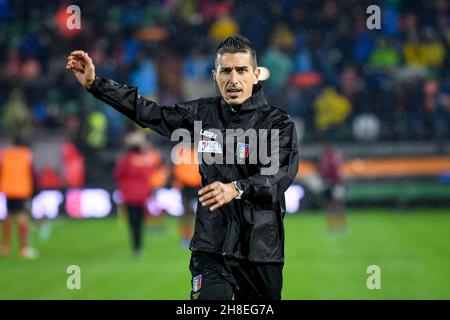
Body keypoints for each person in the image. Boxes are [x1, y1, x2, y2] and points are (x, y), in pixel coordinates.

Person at [67, 34, 299, 300]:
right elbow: (149, 113)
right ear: (215, 75)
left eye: (241, 70)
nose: (233, 80)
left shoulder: (278, 124)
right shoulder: (203, 114)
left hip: (260, 250)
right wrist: (96, 84)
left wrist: (236, 188)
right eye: (226, 71)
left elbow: (279, 176)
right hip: (211, 248)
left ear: (255, 75)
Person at [114, 131, 155, 258]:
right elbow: (149, 175)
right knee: (140, 222)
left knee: (133, 222)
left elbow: (118, 174)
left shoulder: (126, 159)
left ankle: (136, 248)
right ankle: (138, 247)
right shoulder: (144, 159)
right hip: (142, 195)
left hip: (129, 195)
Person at [0, 136, 38, 259]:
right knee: (22, 218)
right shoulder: (27, 155)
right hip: (22, 189)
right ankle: (23, 248)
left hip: (8, 189)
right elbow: (32, 172)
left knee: (8, 217)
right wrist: (35, 188)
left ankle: (5, 246)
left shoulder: (5, 154)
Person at [318, 143, 347, 233]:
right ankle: (333, 226)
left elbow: (336, 171)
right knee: (331, 206)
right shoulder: (326, 158)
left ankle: (340, 226)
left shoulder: (333, 158)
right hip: (329, 183)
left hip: (335, 183)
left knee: (337, 205)